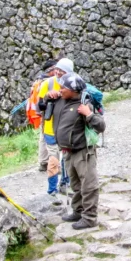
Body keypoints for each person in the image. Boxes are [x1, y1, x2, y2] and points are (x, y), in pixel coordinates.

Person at [51, 73, 105, 230]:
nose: (60, 89)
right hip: (68, 151)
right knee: (75, 184)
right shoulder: (61, 100)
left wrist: (88, 115)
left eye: (63, 88)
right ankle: (78, 211)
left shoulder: (84, 104)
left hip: (83, 152)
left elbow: (101, 126)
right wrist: (48, 97)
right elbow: (41, 108)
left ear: (73, 90)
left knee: (88, 185)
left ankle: (89, 217)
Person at [38, 58, 74, 196]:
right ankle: (52, 189)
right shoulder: (48, 83)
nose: (58, 72)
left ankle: (66, 183)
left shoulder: (73, 84)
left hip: (66, 127)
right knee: (53, 159)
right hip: (50, 128)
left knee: (66, 157)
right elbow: (40, 106)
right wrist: (47, 97)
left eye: (62, 70)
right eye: (57, 69)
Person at [27, 59, 56, 172]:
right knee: (46, 136)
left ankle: (43, 161)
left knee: (43, 136)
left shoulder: (39, 80)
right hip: (46, 112)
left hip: (41, 112)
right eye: (56, 69)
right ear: (51, 70)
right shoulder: (47, 82)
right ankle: (45, 162)